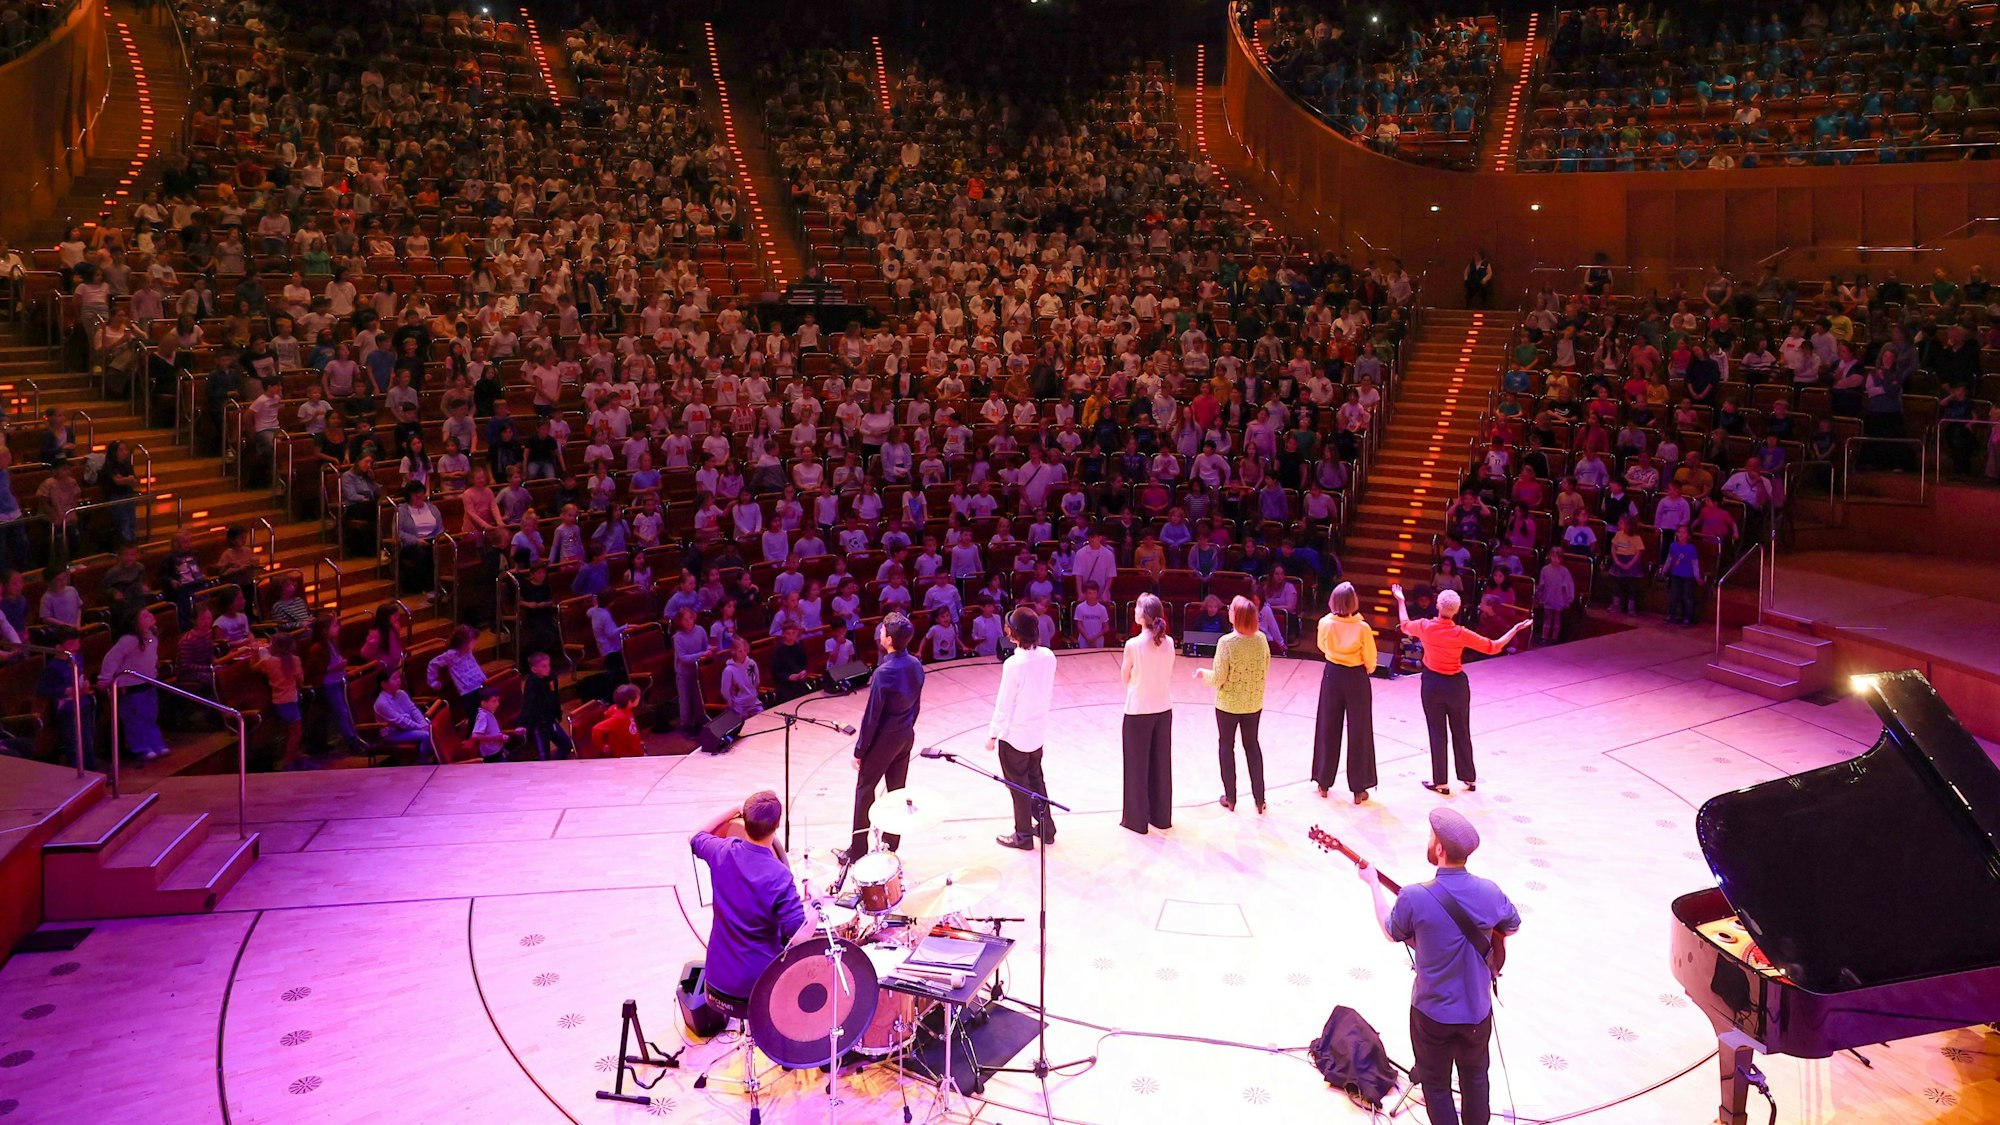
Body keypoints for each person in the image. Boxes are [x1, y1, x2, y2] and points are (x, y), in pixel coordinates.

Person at [1358, 808, 1521, 1125]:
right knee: (1476, 1081)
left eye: (1431, 837)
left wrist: (1373, 884)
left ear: (1440, 849)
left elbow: (1391, 932)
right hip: (1477, 1011)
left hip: (1431, 1014)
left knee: (1436, 1086)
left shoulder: (1415, 896)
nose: (1429, 841)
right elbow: (1512, 926)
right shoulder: (1490, 891)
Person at [1393, 585, 1529, 796]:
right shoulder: (1461, 633)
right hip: (1457, 685)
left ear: (1438, 605)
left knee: (1437, 732)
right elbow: (1494, 646)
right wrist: (1515, 629)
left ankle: (1441, 782)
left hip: (1433, 684)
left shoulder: (1426, 626)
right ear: (1456, 610)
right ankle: (1468, 777)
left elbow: (1404, 625)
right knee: (1461, 730)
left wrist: (1401, 599)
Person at [689, 793, 811, 1008]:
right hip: (758, 984)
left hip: (717, 976)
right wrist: (817, 904)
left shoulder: (722, 851)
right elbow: (800, 937)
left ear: (744, 822)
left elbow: (694, 836)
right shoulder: (779, 875)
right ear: (777, 825)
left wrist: (732, 809)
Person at [843, 612, 927, 859]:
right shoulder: (915, 664)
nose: (879, 633)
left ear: (889, 640)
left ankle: (858, 849)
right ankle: (892, 843)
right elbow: (917, 705)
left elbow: (872, 717)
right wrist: (907, 727)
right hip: (905, 735)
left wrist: (860, 750)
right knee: (896, 790)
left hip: (884, 739)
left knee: (865, 789)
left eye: (882, 631)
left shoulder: (883, 672)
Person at [990, 604, 1059, 851]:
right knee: (1036, 780)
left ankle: (1023, 836)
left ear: (1013, 633)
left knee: (1018, 786)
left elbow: (1004, 703)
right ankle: (1046, 828)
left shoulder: (1014, 664)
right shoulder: (1049, 657)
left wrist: (993, 733)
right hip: (1037, 732)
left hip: (1015, 736)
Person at [1197, 595, 1270, 814]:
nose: (1228, 611)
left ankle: (1231, 797)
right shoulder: (1261, 640)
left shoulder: (1226, 643)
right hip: (1253, 703)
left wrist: (1203, 674)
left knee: (1226, 747)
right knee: (1252, 746)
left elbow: (1219, 677)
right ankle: (1260, 798)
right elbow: (1265, 668)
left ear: (1237, 616)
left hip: (1228, 704)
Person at [1312, 582, 1378, 804]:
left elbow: (1322, 646)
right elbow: (1370, 658)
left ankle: (1323, 782)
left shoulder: (1325, 623)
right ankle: (1358, 789)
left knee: (1328, 726)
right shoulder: (1363, 628)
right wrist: (1366, 668)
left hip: (1332, 675)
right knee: (1360, 731)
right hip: (1356, 678)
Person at [1118, 593, 1176, 834]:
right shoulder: (1170, 642)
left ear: (1142, 615)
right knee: (1161, 764)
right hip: (1163, 708)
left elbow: (1125, 677)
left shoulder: (1133, 645)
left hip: (1138, 710)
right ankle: (1161, 816)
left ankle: (1136, 819)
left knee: (1136, 766)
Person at [99, 609, 168, 762]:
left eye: (150, 613)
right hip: (130, 686)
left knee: (150, 716)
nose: (150, 616)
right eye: (144, 616)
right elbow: (111, 658)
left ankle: (155, 743)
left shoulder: (153, 636)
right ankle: (141, 747)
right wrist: (105, 679)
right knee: (135, 719)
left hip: (148, 682)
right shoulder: (129, 640)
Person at [372, 668, 436, 763]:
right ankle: (423, 762)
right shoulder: (381, 703)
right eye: (394, 679)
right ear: (383, 684)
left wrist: (423, 723)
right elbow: (400, 721)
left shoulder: (402, 693)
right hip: (393, 733)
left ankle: (437, 758)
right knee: (426, 735)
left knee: (433, 727)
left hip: (407, 727)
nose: (398, 681)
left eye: (399, 678)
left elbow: (413, 710)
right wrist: (419, 727)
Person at [521, 651, 573, 759]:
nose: (548, 668)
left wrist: (557, 714)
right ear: (534, 669)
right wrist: (527, 725)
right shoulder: (532, 684)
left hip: (551, 721)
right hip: (539, 725)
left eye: (548, 665)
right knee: (544, 756)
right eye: (544, 666)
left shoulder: (552, 677)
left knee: (566, 745)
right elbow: (529, 706)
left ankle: (556, 766)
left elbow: (555, 697)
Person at [591, 683, 643, 757]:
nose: (639, 698)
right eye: (638, 697)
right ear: (630, 702)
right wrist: (601, 747)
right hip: (628, 756)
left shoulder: (625, 709)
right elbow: (596, 729)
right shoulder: (619, 718)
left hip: (634, 749)